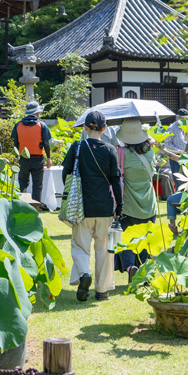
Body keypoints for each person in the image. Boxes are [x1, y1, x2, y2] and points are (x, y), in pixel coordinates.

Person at [61, 110, 123, 301]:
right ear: (105, 129)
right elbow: (116, 180)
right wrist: (119, 205)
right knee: (103, 249)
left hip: (81, 207)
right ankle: (102, 290)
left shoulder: (77, 146)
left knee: (80, 246)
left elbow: (66, 173)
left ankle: (84, 274)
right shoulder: (110, 150)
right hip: (104, 207)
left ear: (85, 128)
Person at [115, 118, 159, 279]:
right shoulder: (150, 153)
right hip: (149, 202)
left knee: (127, 237)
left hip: (129, 203)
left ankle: (129, 267)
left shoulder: (121, 153)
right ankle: (144, 273)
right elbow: (152, 173)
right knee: (146, 239)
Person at [11, 101, 52, 203]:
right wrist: (49, 158)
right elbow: (46, 143)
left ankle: (23, 204)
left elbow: (16, 143)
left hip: (23, 159)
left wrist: (16, 157)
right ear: (36, 113)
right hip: (38, 159)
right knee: (37, 184)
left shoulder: (18, 125)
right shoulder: (41, 125)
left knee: (23, 182)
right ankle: (35, 206)